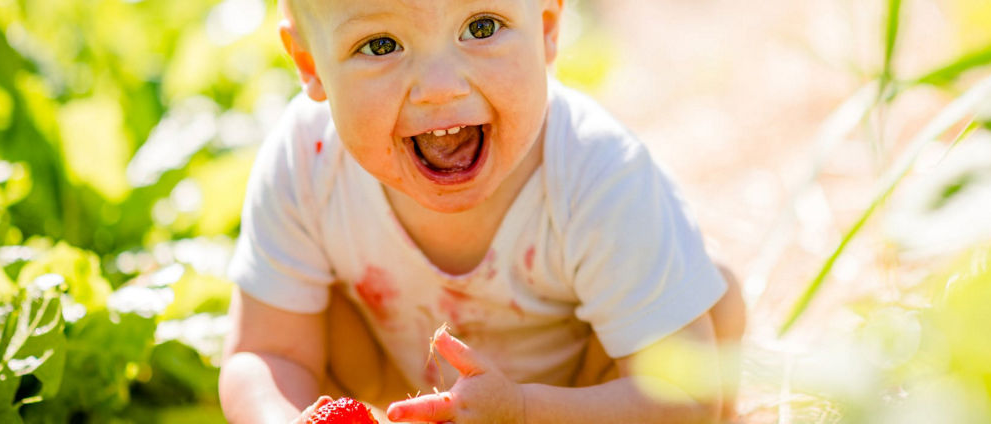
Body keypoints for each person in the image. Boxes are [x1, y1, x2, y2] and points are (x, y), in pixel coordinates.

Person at [219, 0, 745, 422]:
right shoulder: (307, 164)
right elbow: (267, 355)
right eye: (380, 44)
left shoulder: (598, 175)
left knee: (705, 302)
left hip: (581, 402)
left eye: (482, 25)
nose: (441, 85)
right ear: (310, 63)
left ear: (546, 27)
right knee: (299, 315)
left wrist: (522, 411)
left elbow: (686, 401)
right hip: (396, 393)